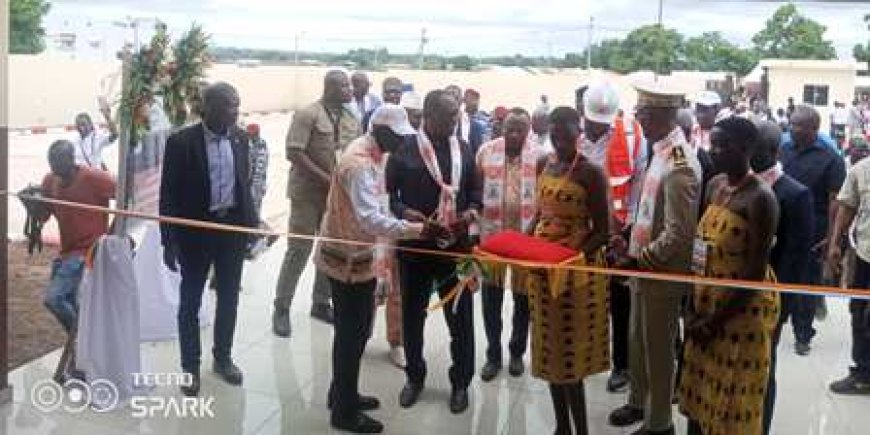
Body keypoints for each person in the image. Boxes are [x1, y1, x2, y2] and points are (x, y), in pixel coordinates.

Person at [315, 105, 447, 433]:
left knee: (354, 332)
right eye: (398, 136)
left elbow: (379, 204)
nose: (403, 143)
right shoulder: (359, 164)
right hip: (347, 260)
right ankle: (343, 412)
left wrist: (406, 215)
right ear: (380, 130)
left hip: (357, 254)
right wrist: (418, 230)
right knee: (352, 334)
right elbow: (369, 218)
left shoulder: (372, 151)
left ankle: (341, 393)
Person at [678, 116, 780, 435]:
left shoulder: (761, 199)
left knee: (730, 404)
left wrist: (714, 321)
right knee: (698, 395)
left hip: (739, 313)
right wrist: (691, 308)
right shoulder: (715, 185)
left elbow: (753, 273)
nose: (717, 151)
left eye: (725, 145)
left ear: (748, 148)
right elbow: (700, 245)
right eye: (714, 144)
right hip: (705, 304)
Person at [610, 83, 702, 435]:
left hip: (661, 272)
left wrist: (639, 259)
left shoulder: (680, 162)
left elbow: (679, 233)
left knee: (659, 349)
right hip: (643, 266)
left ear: (664, 116)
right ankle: (637, 401)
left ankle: (660, 422)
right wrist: (628, 235)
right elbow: (651, 210)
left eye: (643, 114)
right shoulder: (660, 150)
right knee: (637, 340)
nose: (638, 119)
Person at [160, 82, 259, 397]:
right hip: (195, 233)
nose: (236, 111)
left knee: (229, 297)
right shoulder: (181, 143)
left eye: (238, 104)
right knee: (190, 301)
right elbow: (168, 195)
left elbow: (243, 186)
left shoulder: (241, 139)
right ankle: (190, 368)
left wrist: (251, 228)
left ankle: (223, 358)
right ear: (211, 107)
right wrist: (168, 240)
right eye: (230, 105)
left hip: (231, 231)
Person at [386, 89, 482, 414]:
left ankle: (460, 383)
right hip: (415, 250)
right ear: (428, 115)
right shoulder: (404, 149)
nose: (455, 121)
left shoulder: (465, 150)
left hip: (457, 251)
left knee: (462, 320)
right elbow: (389, 198)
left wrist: (470, 211)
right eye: (448, 116)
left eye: (457, 116)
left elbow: (475, 194)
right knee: (413, 318)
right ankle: (414, 377)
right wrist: (403, 212)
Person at [525, 106, 611, 435]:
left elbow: (603, 232)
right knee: (549, 354)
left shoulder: (591, 172)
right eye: (554, 134)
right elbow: (540, 214)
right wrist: (526, 244)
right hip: (542, 270)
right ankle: (562, 426)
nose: (560, 141)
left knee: (570, 359)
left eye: (566, 134)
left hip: (575, 276)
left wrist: (567, 258)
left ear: (579, 132)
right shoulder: (543, 164)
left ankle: (582, 430)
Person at [273, 70, 361, 336]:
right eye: (345, 86)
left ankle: (321, 303)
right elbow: (294, 152)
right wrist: (326, 179)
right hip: (307, 195)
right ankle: (281, 308)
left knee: (329, 249)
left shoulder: (350, 118)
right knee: (298, 250)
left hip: (335, 198)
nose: (350, 90)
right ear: (330, 88)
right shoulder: (308, 114)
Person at [32, 140, 116, 382]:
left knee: (54, 299)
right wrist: (33, 203)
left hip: (87, 250)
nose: (57, 172)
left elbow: (127, 194)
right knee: (69, 304)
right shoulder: (51, 180)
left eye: (61, 165)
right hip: (66, 251)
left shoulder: (94, 178)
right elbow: (44, 215)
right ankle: (86, 348)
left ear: (72, 160)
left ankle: (84, 343)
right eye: (53, 166)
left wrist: (111, 237)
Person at [750, 121, 814, 435]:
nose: (748, 155)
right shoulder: (733, 185)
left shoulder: (794, 194)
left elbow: (796, 260)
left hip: (767, 303)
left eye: (755, 149)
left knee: (762, 371)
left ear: (774, 152)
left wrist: (781, 310)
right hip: (733, 299)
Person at [578, 81, 641, 393]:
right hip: (583, 234)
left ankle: (622, 365)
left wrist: (627, 229)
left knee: (620, 302)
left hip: (619, 233)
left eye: (603, 124)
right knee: (585, 296)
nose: (597, 130)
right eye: (592, 122)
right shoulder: (571, 138)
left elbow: (639, 186)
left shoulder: (632, 136)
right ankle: (586, 356)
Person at [476, 109, 538, 382]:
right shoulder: (486, 152)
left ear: (528, 130)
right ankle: (492, 354)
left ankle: (516, 352)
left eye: (520, 129)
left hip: (526, 239)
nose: (514, 134)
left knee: (523, 300)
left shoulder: (540, 155)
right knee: (491, 298)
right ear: (501, 127)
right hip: (493, 239)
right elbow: (475, 192)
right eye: (509, 128)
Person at [779, 105, 846, 356]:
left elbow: (834, 201)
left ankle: (803, 334)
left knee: (806, 283)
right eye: (791, 123)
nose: (792, 128)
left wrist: (831, 238)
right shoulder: (783, 151)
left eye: (798, 125)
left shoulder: (831, 158)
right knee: (781, 277)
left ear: (813, 129)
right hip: (783, 224)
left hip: (813, 229)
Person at [825, 136, 870, 396]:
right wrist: (834, 244)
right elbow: (846, 208)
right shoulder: (860, 171)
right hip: (865, 256)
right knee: (859, 312)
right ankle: (863, 373)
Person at [73, 98, 119, 170]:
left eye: (84, 124)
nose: (81, 128)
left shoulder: (97, 137)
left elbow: (115, 135)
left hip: (95, 177)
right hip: (81, 178)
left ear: (90, 124)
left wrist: (107, 116)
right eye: (78, 125)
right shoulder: (75, 141)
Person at [462, 88, 489, 155]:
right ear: (464, 101)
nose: (474, 102)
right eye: (471, 99)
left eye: (475, 99)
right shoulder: (459, 119)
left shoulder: (484, 119)